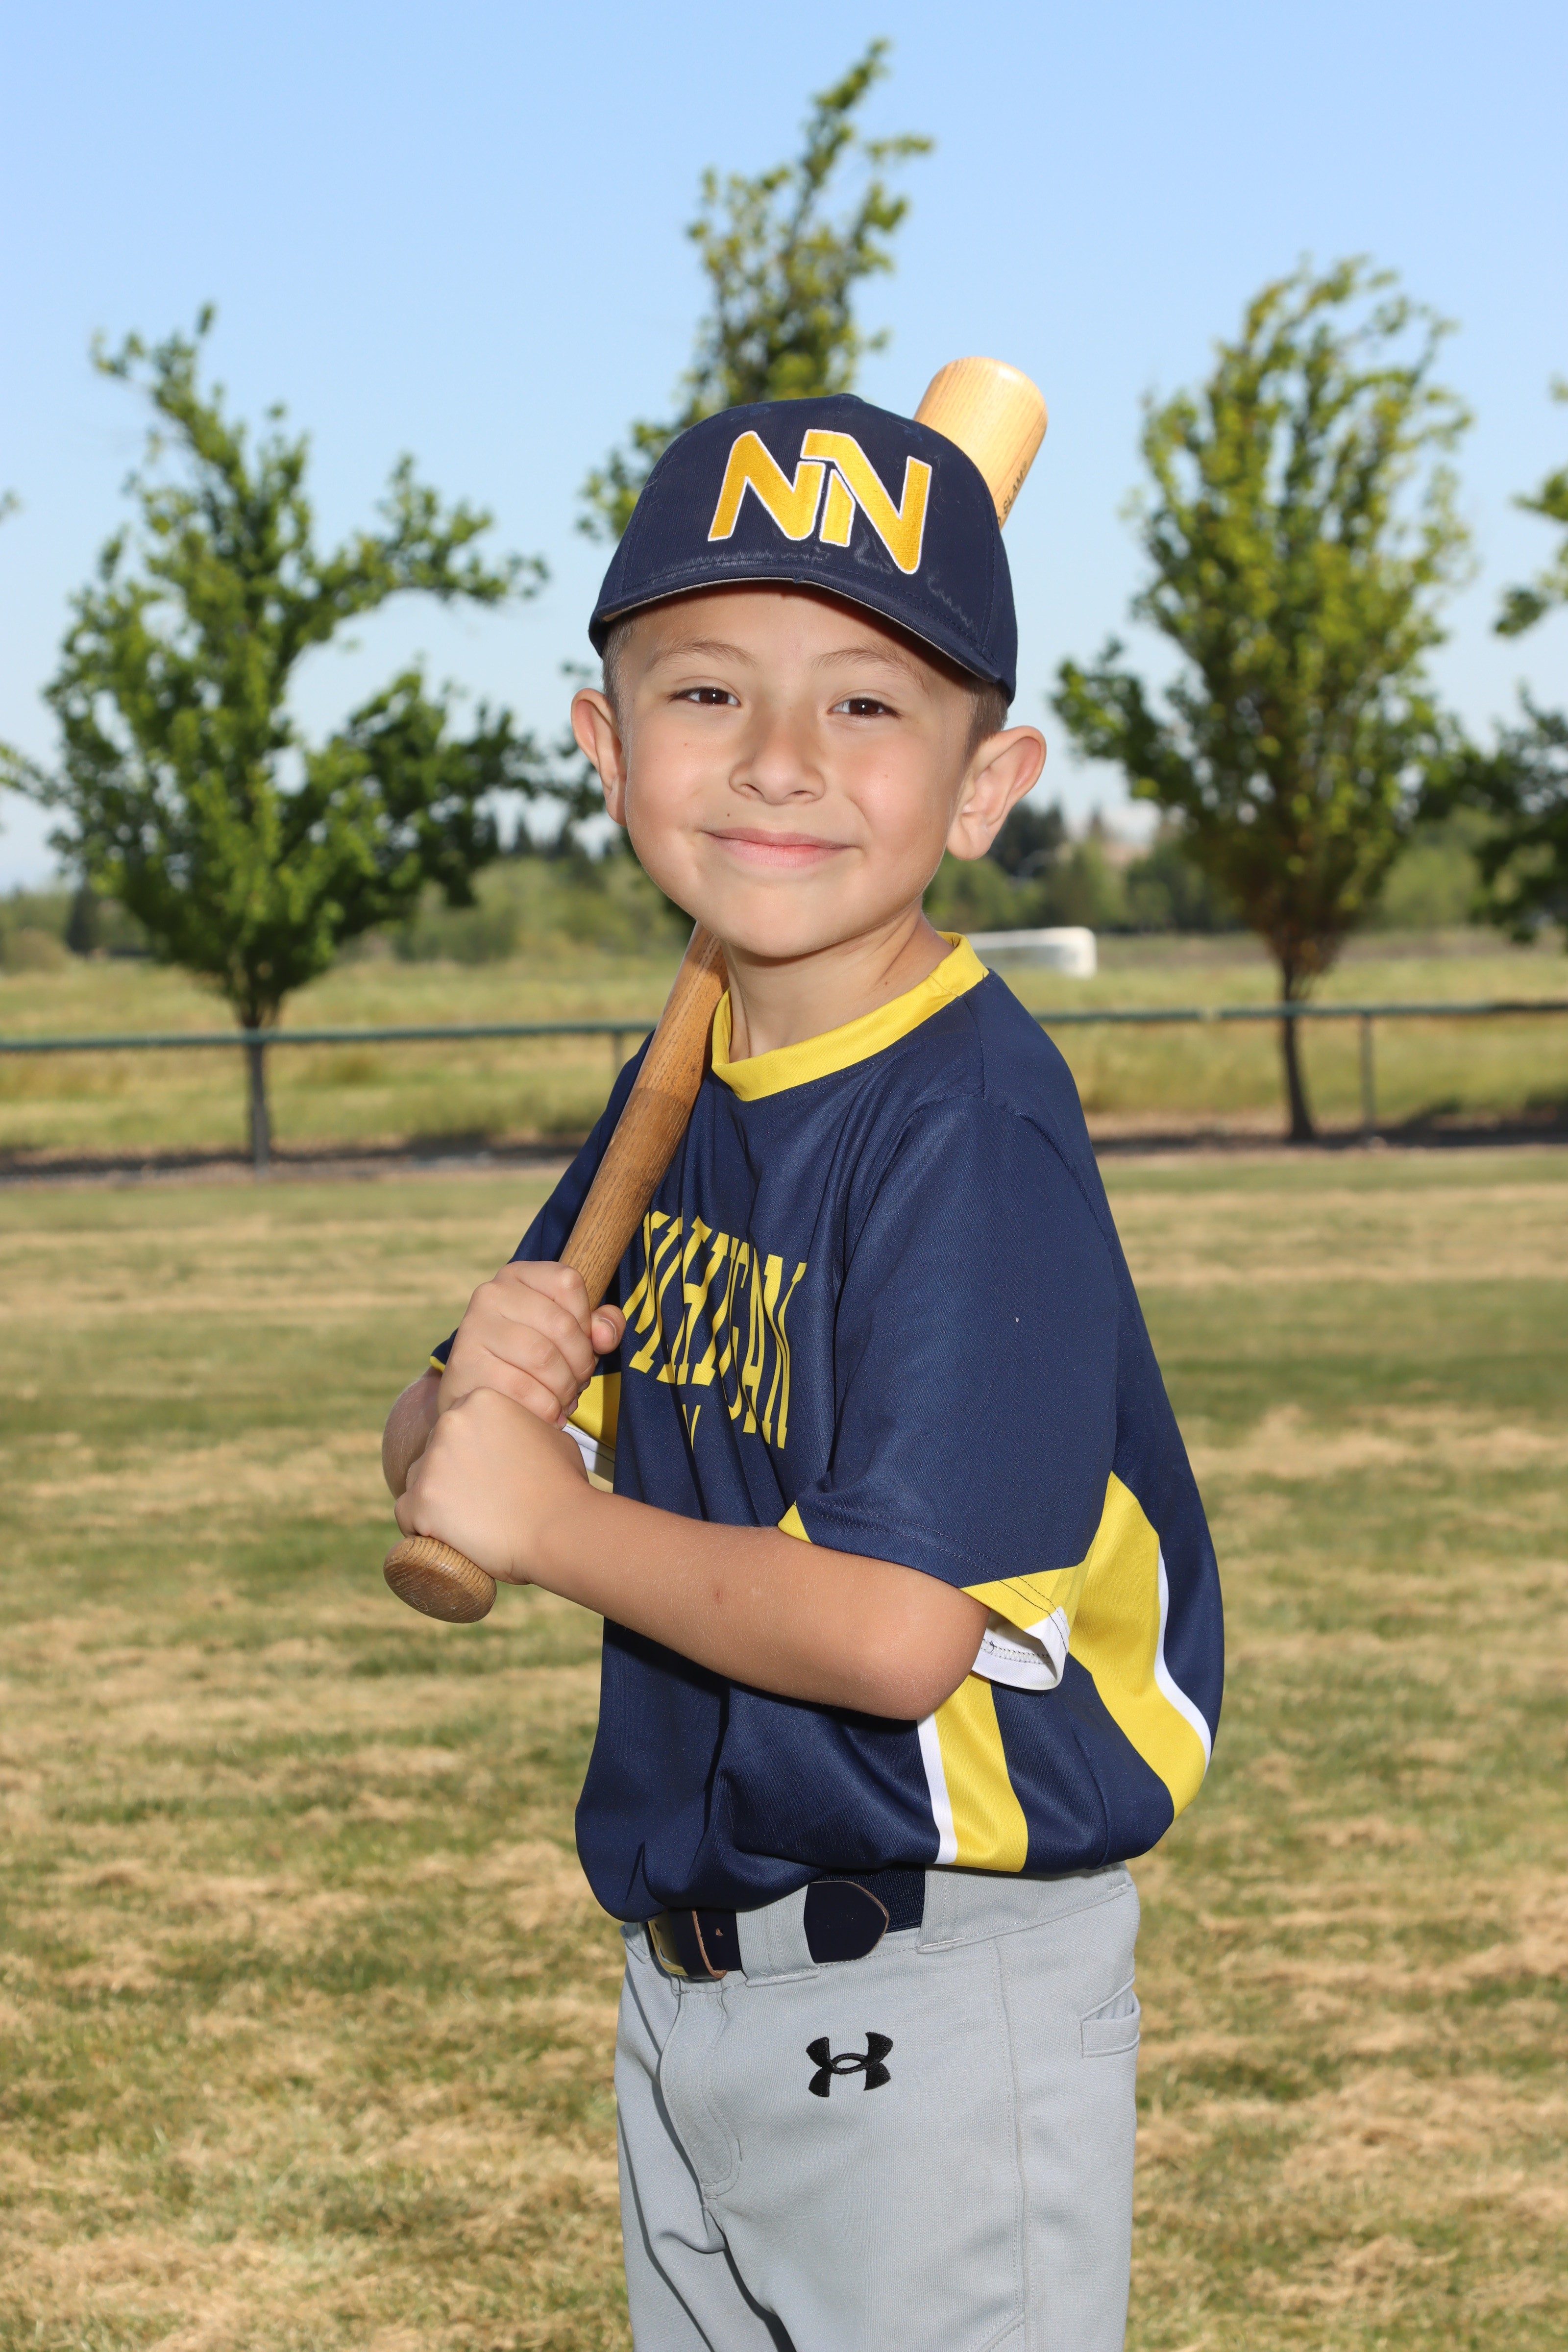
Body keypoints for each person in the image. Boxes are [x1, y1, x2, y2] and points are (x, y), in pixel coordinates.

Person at [382, 393, 1223, 2352]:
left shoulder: (963, 1121)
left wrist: (549, 1524)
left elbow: (892, 1633)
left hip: (932, 1991)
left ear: (985, 784)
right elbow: (460, 1450)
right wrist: (460, 1393)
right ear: (604, 747)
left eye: (864, 705)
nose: (778, 759)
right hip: (698, 1986)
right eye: (706, 694)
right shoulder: (691, 1083)